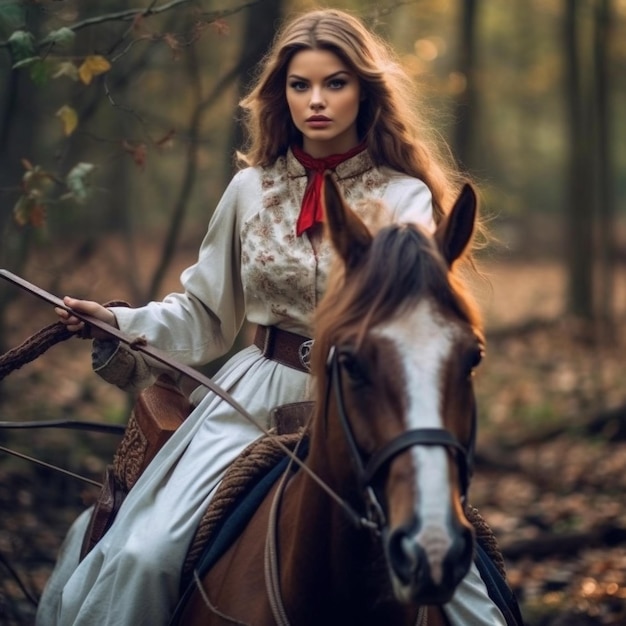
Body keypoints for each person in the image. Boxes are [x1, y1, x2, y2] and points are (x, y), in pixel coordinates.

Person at [37, 8, 512, 626]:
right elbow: (206, 313)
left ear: (364, 91)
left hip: (371, 402)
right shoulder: (249, 191)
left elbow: (414, 316)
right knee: (143, 558)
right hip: (251, 403)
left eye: (335, 83)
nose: (316, 100)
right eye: (300, 84)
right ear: (280, 94)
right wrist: (118, 324)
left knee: (472, 602)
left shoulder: (405, 197)